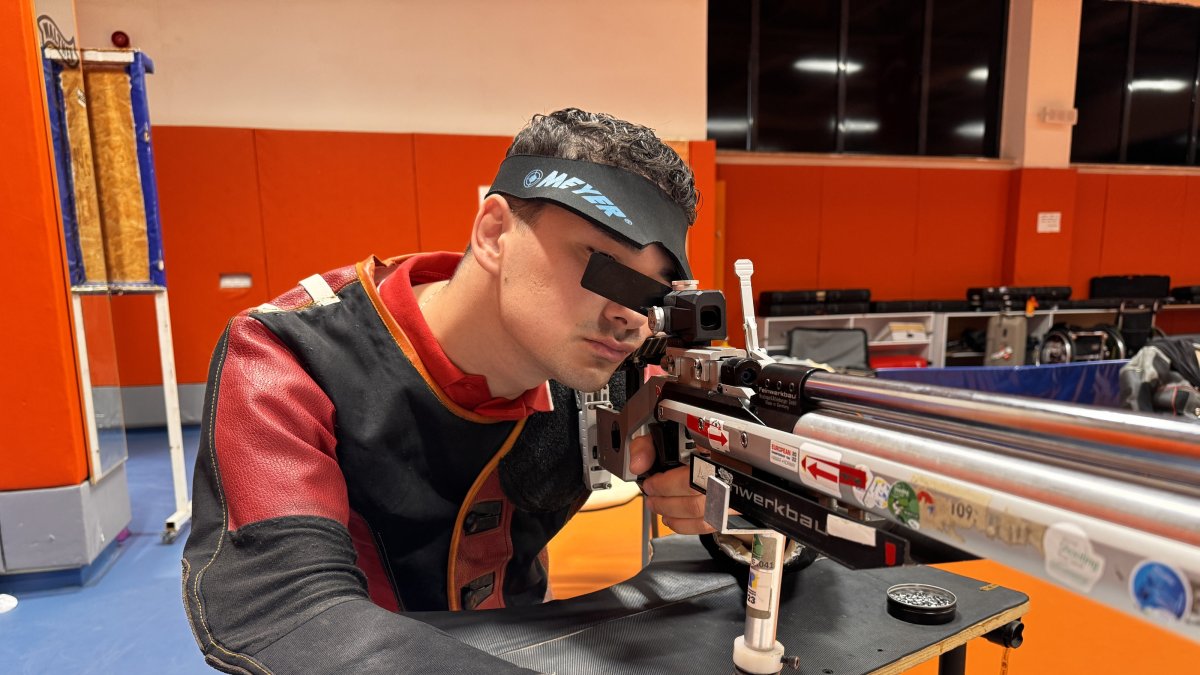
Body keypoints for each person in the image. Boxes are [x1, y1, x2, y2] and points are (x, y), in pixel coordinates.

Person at [181, 108, 712, 674]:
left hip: (531, 647)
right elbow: (291, 611)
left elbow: (763, 476)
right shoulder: (289, 356)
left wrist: (731, 510)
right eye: (605, 268)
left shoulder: (616, 369)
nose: (631, 318)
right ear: (494, 233)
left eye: (650, 295)